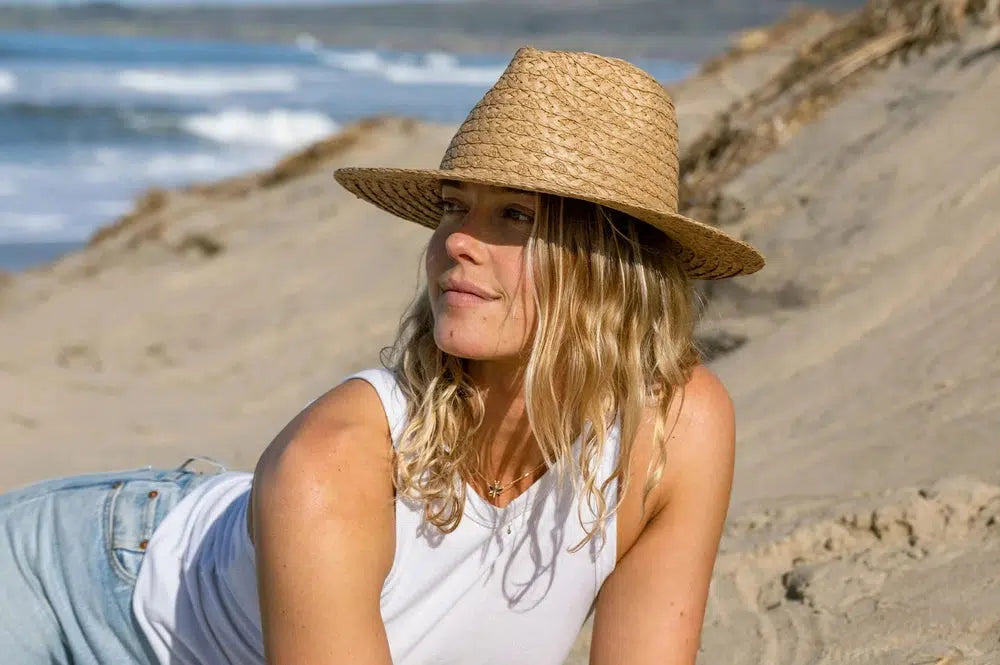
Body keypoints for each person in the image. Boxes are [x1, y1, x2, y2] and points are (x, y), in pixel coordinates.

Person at [0, 46, 764, 665]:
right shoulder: (334, 462)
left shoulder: (677, 427)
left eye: (514, 215)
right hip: (68, 589)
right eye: (452, 206)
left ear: (610, 259)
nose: (457, 241)